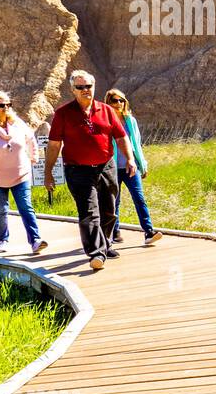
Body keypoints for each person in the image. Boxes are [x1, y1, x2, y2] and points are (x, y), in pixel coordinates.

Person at [44, 69, 137, 272]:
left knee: (109, 210)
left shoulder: (106, 110)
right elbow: (53, 145)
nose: (86, 90)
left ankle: (106, 244)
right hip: (78, 170)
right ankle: (96, 253)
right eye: (80, 87)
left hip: (106, 166)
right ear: (73, 89)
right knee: (89, 212)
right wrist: (48, 172)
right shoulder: (63, 114)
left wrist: (130, 158)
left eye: (89, 86)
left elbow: (121, 137)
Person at [0, 91, 48, 255]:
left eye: (8, 105)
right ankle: (3, 240)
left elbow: (30, 138)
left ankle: (35, 240)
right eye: (2, 105)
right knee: (1, 209)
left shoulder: (18, 124)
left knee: (25, 207)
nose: (6, 108)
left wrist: (34, 156)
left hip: (21, 174)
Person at [103, 88, 162, 246]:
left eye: (121, 100)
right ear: (108, 103)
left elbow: (137, 144)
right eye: (115, 101)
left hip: (131, 166)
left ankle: (149, 232)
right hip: (112, 168)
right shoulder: (105, 121)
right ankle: (115, 232)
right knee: (114, 201)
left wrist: (143, 165)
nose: (119, 104)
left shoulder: (131, 121)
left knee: (139, 198)